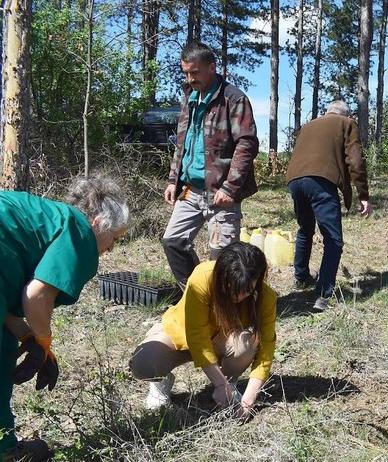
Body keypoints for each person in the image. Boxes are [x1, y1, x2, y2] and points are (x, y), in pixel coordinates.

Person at [0, 177, 130, 461]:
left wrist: (27, 336)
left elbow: (6, 302)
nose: (111, 247)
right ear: (98, 222)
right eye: (115, 238)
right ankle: (6, 453)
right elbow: (36, 296)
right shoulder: (80, 232)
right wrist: (44, 341)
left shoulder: (47, 218)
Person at [129, 242, 277, 417]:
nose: (236, 297)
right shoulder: (203, 277)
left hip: (221, 341)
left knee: (247, 343)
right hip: (183, 335)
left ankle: (230, 384)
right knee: (143, 363)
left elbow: (266, 347)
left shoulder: (265, 298)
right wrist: (219, 385)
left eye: (245, 291)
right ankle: (163, 384)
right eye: (230, 288)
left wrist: (249, 400)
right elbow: (196, 335)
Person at [162, 41, 259, 290]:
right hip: (189, 191)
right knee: (173, 241)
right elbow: (182, 143)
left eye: (194, 72)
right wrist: (174, 180)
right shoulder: (189, 97)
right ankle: (197, 293)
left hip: (220, 193)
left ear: (212, 67)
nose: (189, 78)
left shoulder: (233, 99)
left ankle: (228, 308)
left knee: (224, 258)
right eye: (185, 72)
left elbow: (246, 145)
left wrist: (231, 188)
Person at [284, 100, 371, 311]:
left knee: (305, 229)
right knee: (333, 240)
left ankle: (301, 277)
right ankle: (322, 295)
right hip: (320, 182)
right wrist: (363, 194)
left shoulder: (309, 125)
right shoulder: (346, 123)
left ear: (327, 112)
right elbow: (355, 160)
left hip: (294, 181)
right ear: (345, 114)